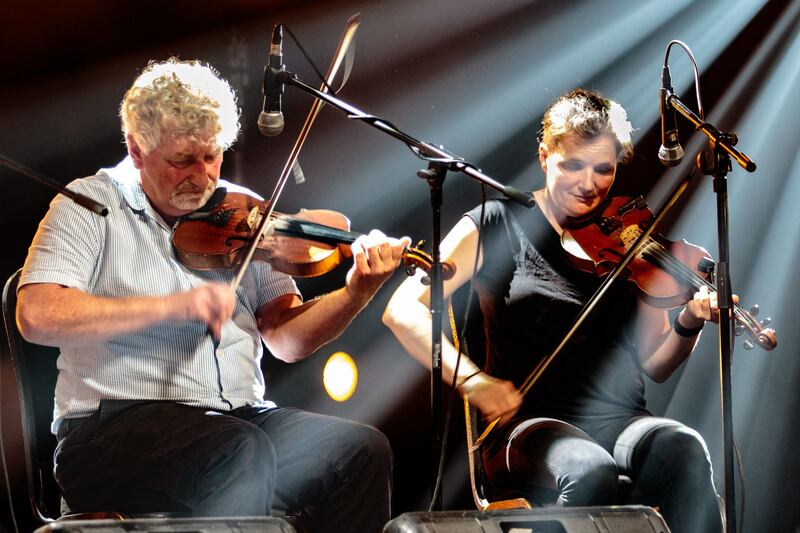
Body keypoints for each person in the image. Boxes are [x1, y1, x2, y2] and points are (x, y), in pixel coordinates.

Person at [16, 58, 409, 533]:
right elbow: (37, 314)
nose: (203, 177)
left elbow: (287, 340)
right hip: (109, 432)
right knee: (238, 450)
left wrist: (356, 292)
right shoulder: (88, 204)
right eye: (183, 160)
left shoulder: (240, 210)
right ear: (136, 149)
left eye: (213, 156)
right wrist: (171, 307)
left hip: (237, 422)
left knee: (359, 451)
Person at [383, 88, 723, 532]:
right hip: (528, 425)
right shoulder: (497, 222)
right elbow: (402, 309)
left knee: (684, 447)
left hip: (622, 421)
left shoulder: (626, 239)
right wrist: (472, 380)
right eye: (573, 165)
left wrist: (690, 321)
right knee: (589, 470)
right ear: (545, 157)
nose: (589, 184)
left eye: (604, 169)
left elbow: (656, 365)